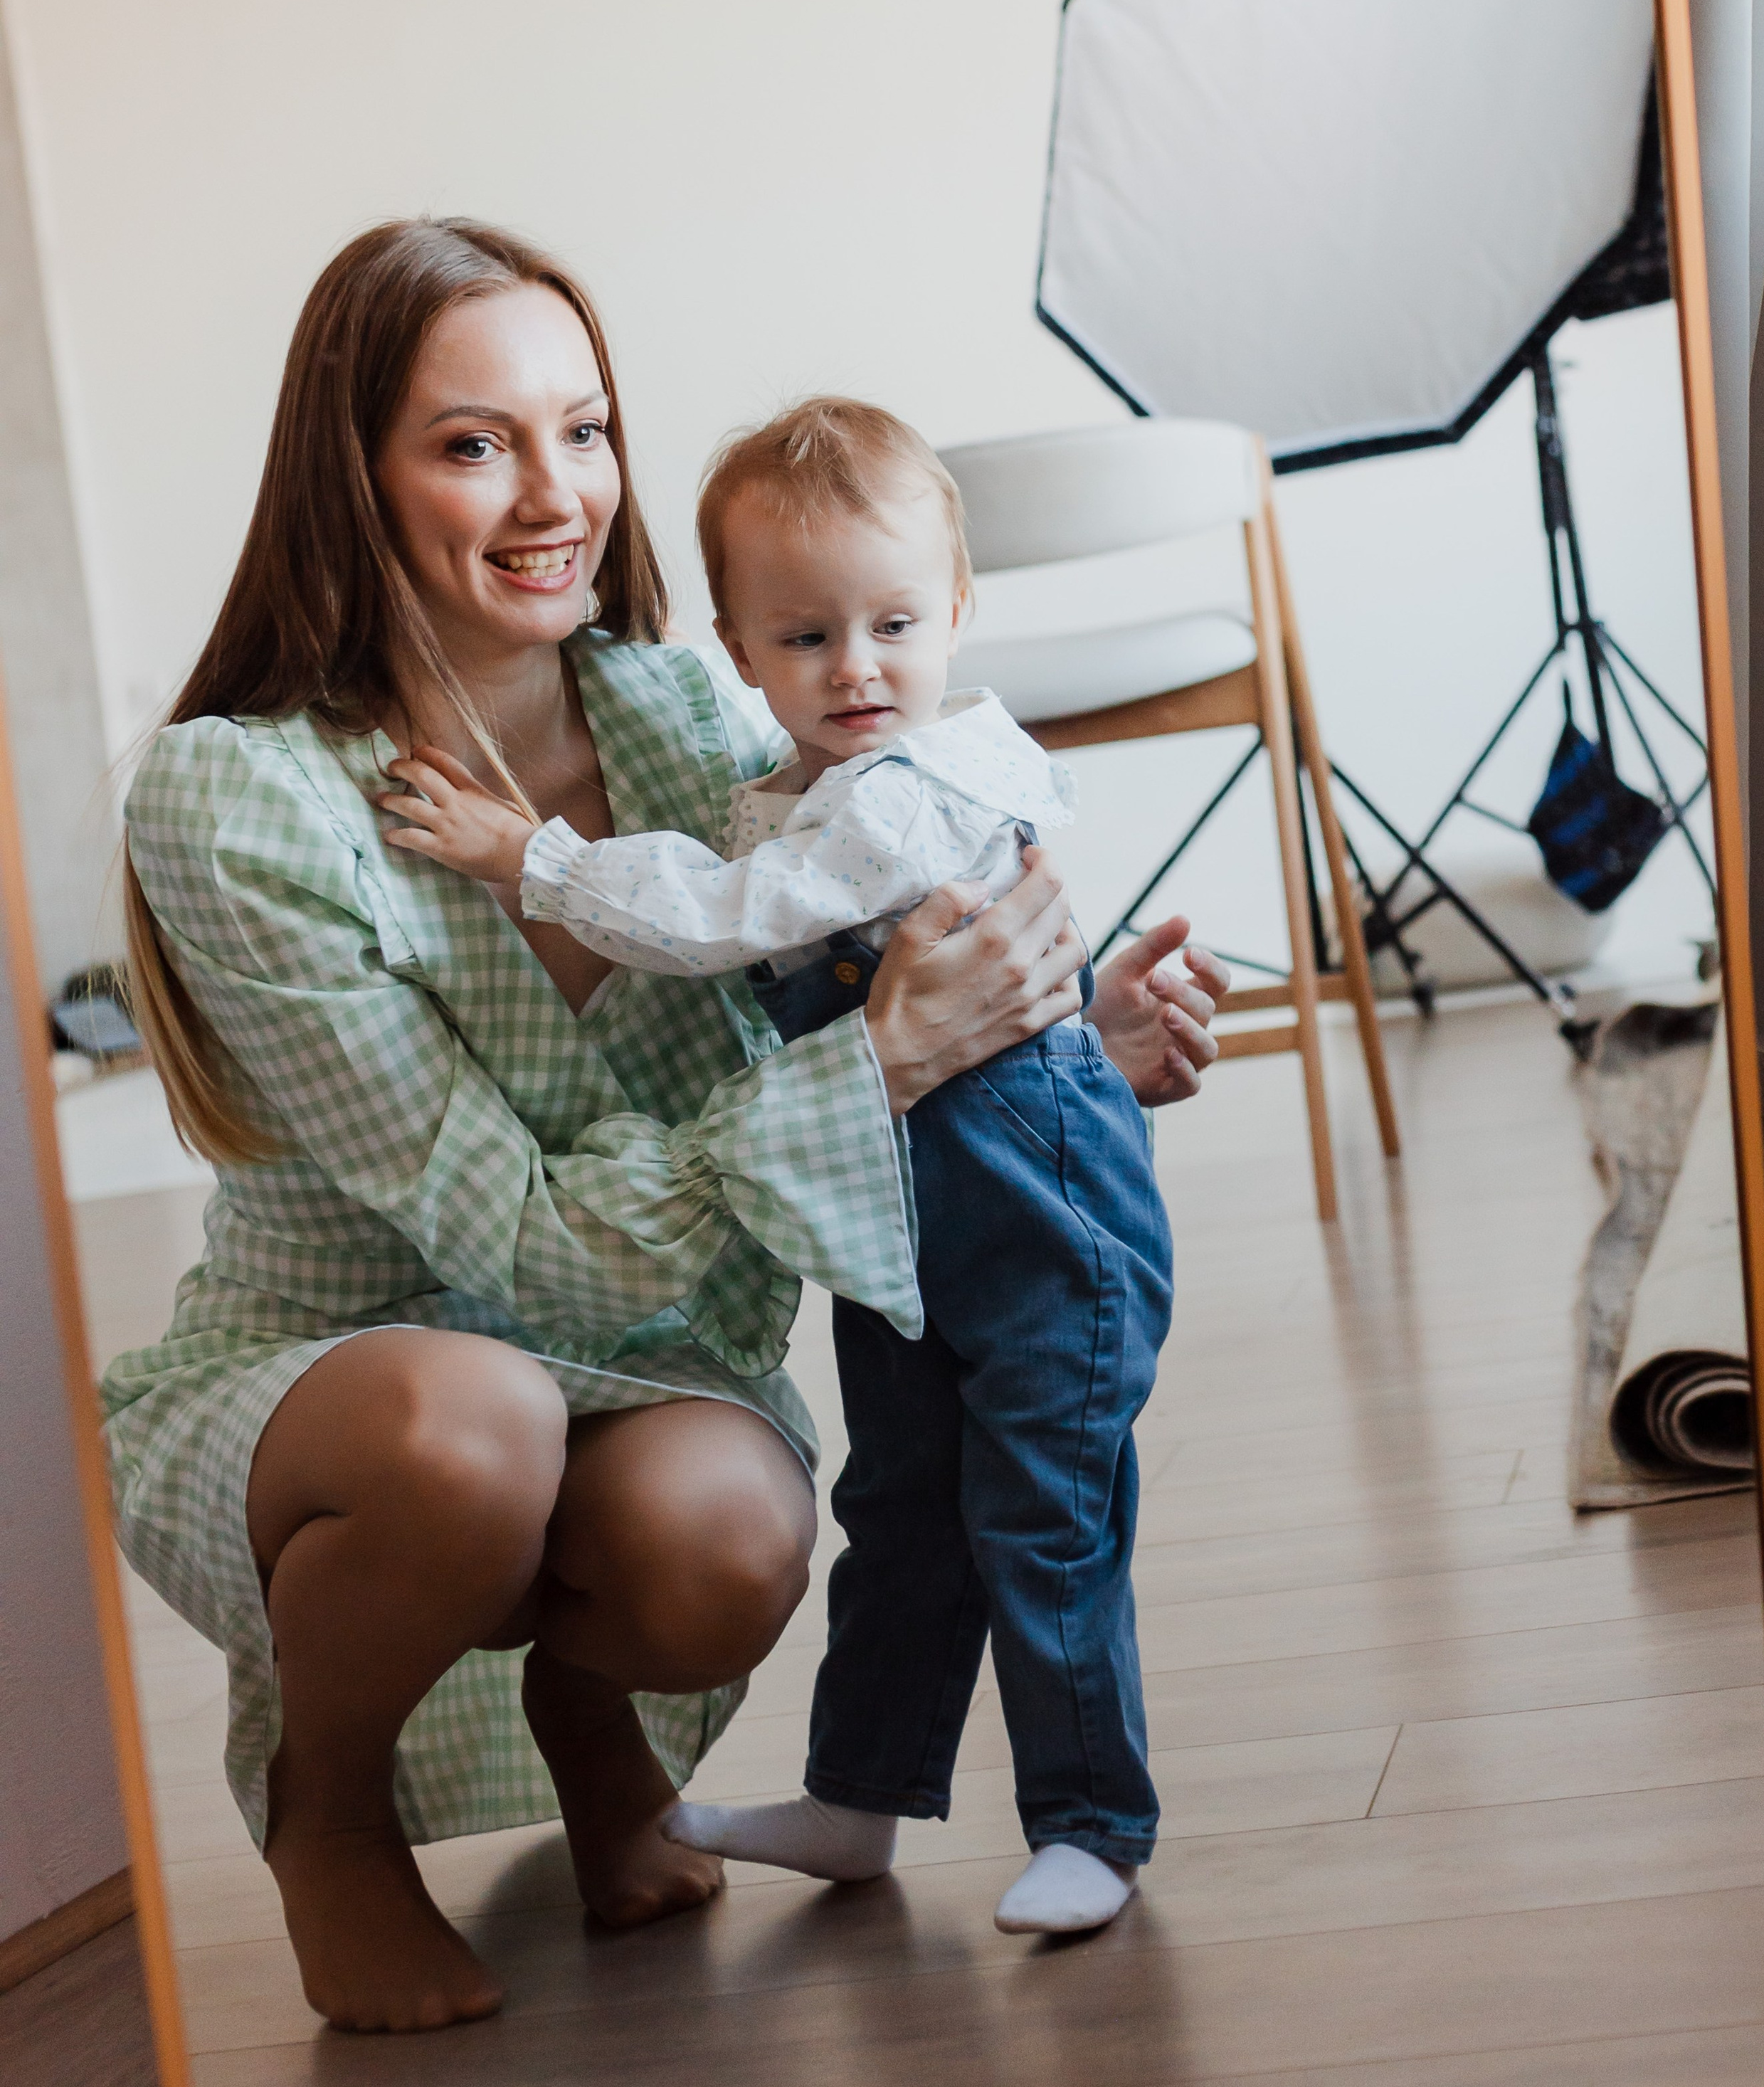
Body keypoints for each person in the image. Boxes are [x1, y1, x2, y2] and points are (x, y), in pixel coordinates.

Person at [107, 222, 1227, 2035]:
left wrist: (1055, 1045)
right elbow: (517, 1245)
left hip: (628, 1352)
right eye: (472, 443)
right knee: (470, 1424)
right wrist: (889, 1059)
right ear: (354, 473)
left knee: (731, 1545)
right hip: (349, 1382)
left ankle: (591, 1723)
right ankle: (333, 1824)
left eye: (585, 428)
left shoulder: (690, 711)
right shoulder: (238, 795)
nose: (553, 492)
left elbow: (820, 1009)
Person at [375, 397, 1203, 1936]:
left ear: (954, 609)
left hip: (1044, 1220)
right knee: (897, 1511)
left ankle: (1091, 1821)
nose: (858, 669)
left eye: (894, 622)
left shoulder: (912, 790)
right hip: (897, 1218)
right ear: (738, 652)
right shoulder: (799, 786)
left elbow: (724, 916)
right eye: (806, 637)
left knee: (1042, 1512)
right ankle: (857, 1802)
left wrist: (526, 859)